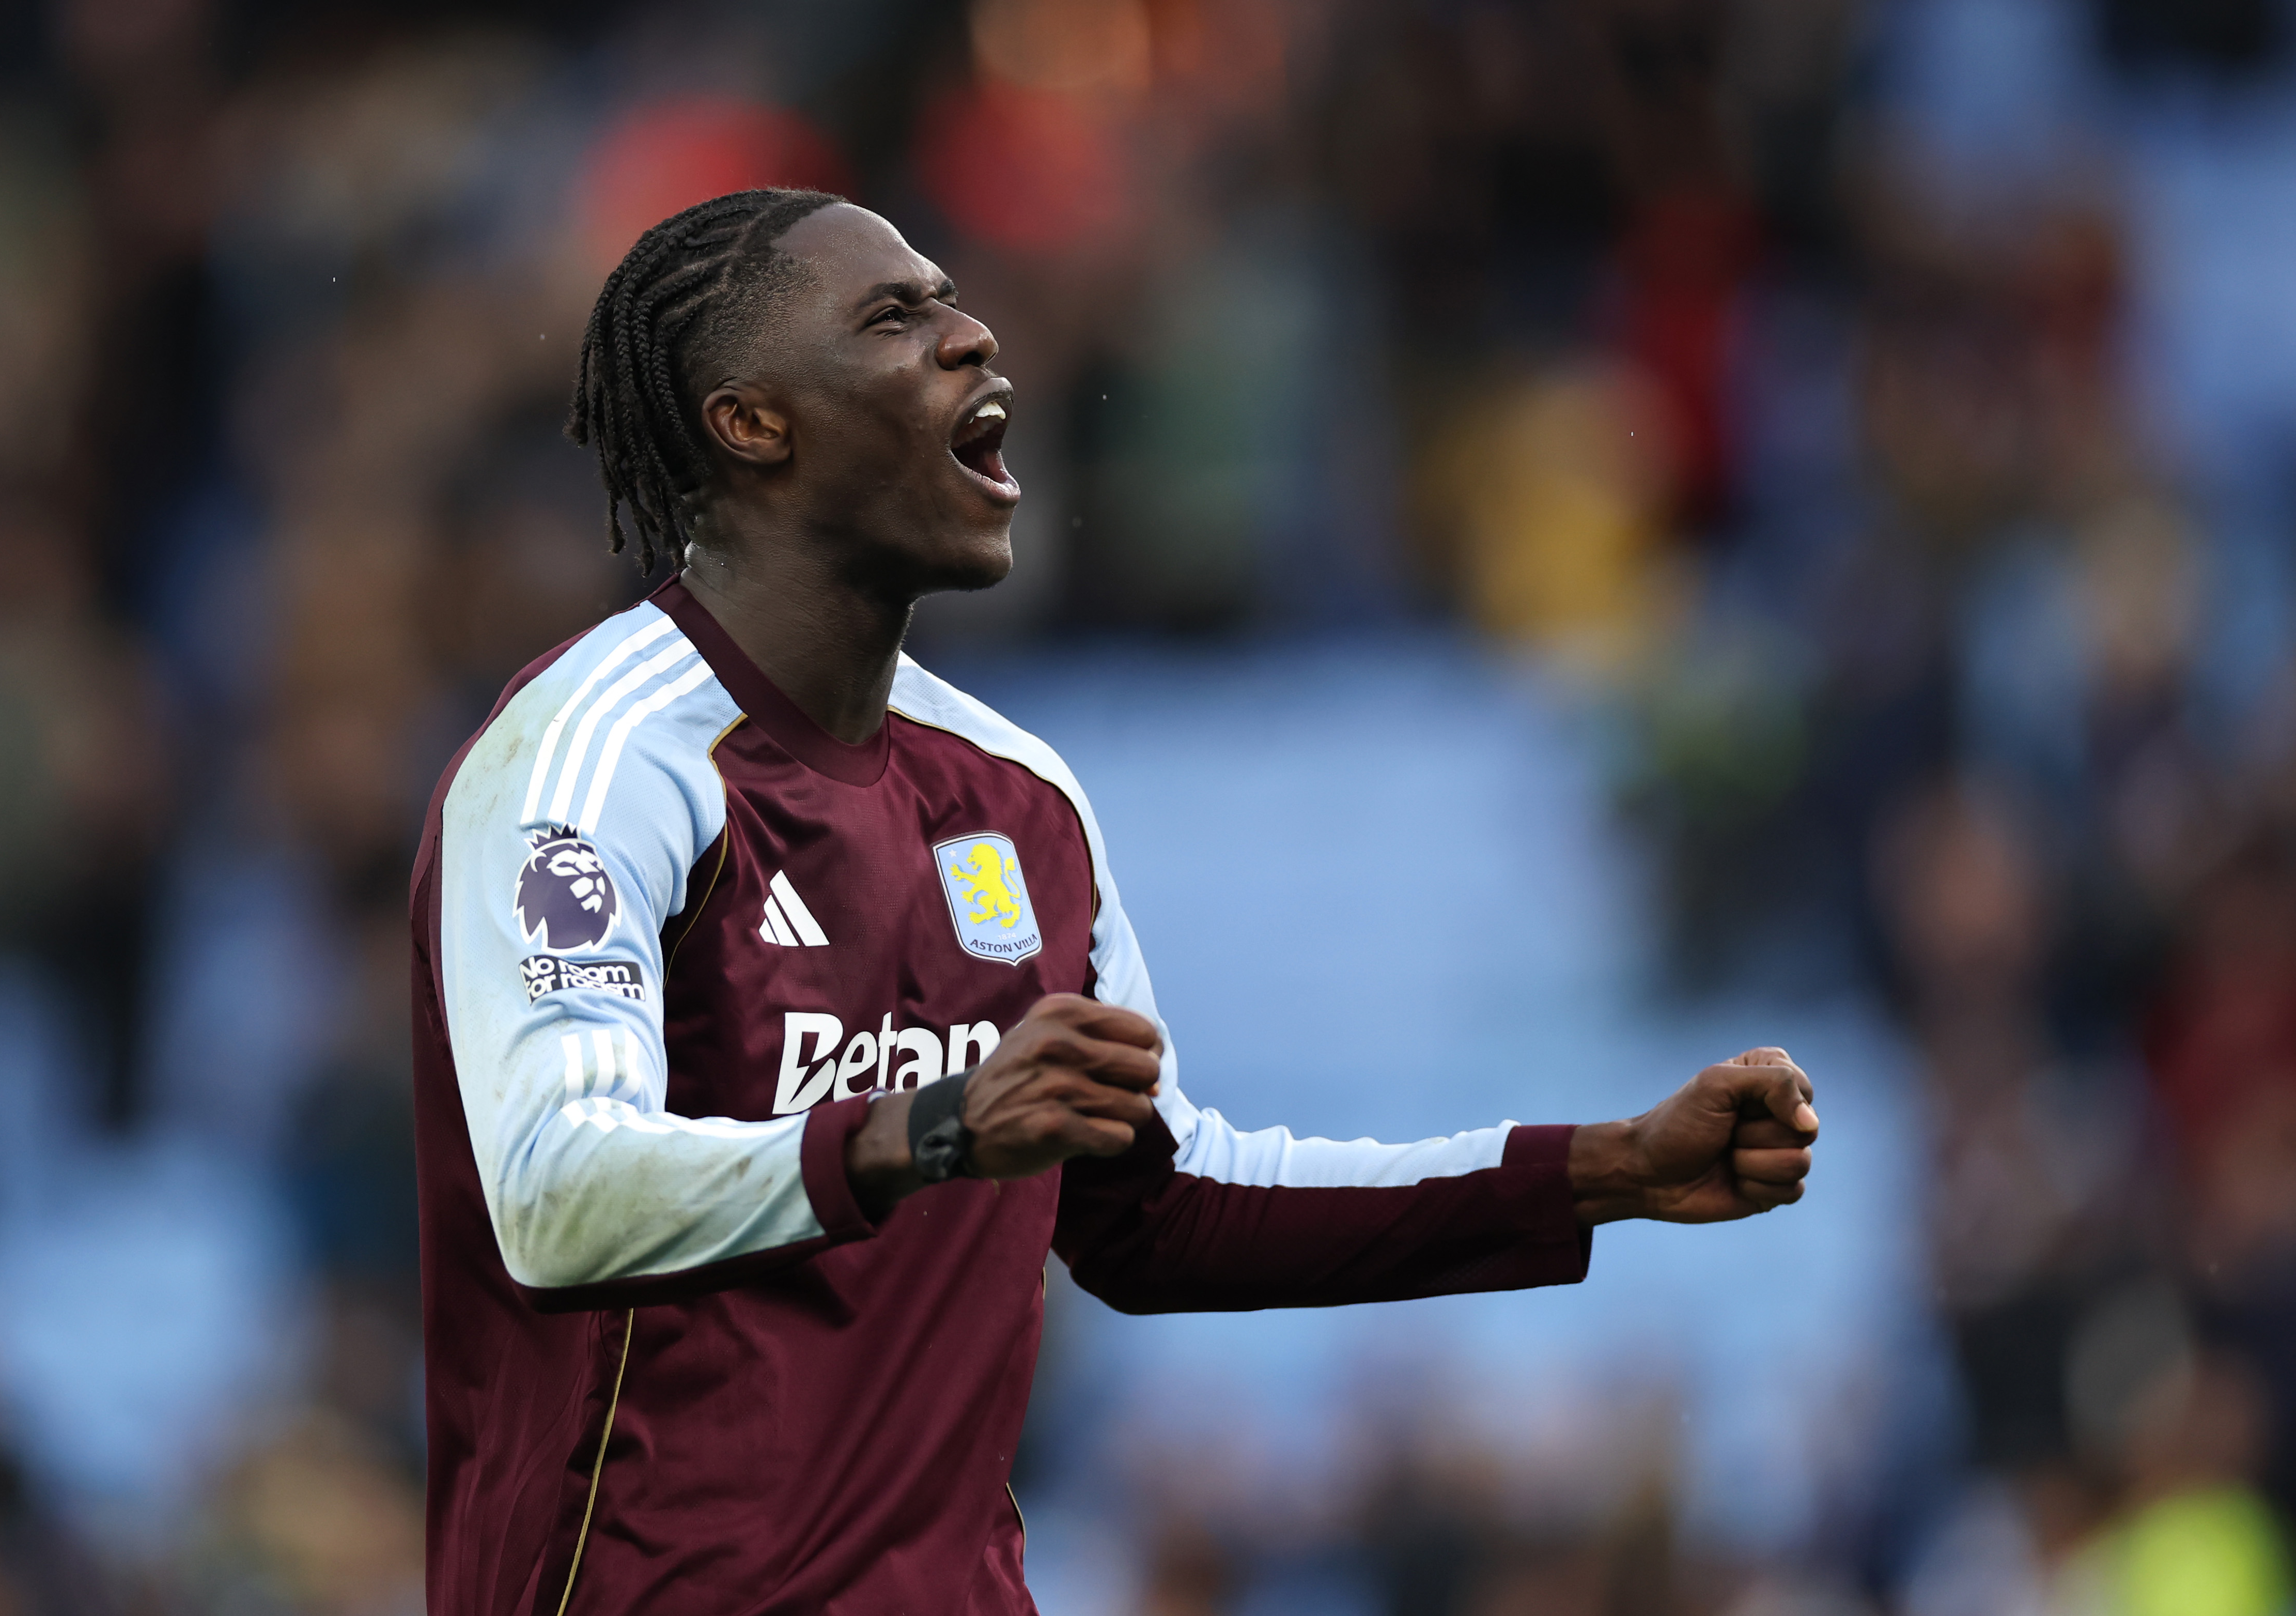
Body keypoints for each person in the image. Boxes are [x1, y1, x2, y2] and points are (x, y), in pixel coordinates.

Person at [408, 187, 1820, 1615]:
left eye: (956, 302)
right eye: (897, 318)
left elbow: (1166, 1210)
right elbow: (556, 1192)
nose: (973, 340)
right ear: (751, 420)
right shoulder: (591, 759)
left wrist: (1601, 1171)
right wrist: (932, 1129)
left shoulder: (1018, 803)